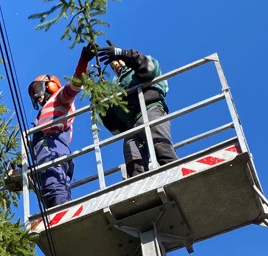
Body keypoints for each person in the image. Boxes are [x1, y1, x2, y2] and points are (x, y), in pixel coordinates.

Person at [27, 44, 95, 209]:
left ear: (49, 85)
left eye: (37, 89)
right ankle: (57, 212)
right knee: (50, 188)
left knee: (55, 186)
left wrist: (83, 60)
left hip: (53, 149)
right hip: (43, 155)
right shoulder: (42, 115)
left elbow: (75, 84)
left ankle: (63, 212)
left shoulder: (60, 98)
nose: (37, 97)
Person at [95, 45, 178, 177]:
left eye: (117, 61)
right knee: (134, 166)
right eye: (112, 65)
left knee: (161, 149)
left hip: (150, 111)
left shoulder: (135, 70)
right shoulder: (115, 87)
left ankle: (176, 176)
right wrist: (100, 99)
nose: (115, 65)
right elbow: (115, 128)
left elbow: (149, 68)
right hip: (130, 127)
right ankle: (145, 194)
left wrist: (124, 54)